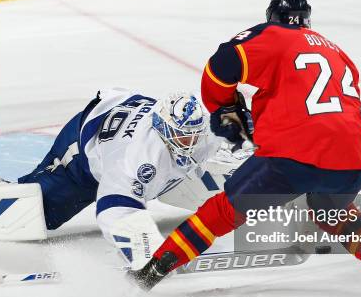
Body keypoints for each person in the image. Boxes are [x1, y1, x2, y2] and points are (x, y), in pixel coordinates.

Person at [128, 0, 361, 291]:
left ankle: (151, 272)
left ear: (272, 18)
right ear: (307, 20)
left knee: (221, 211)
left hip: (292, 157)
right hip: (353, 162)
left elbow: (223, 62)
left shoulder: (273, 34)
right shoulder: (338, 52)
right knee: (329, 209)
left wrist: (224, 106)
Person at [19, 88, 217, 268]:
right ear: (162, 129)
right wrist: (148, 254)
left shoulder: (200, 125)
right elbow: (115, 207)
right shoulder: (137, 156)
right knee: (37, 214)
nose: (190, 143)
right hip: (81, 156)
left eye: (194, 135)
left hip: (124, 108)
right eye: (182, 136)